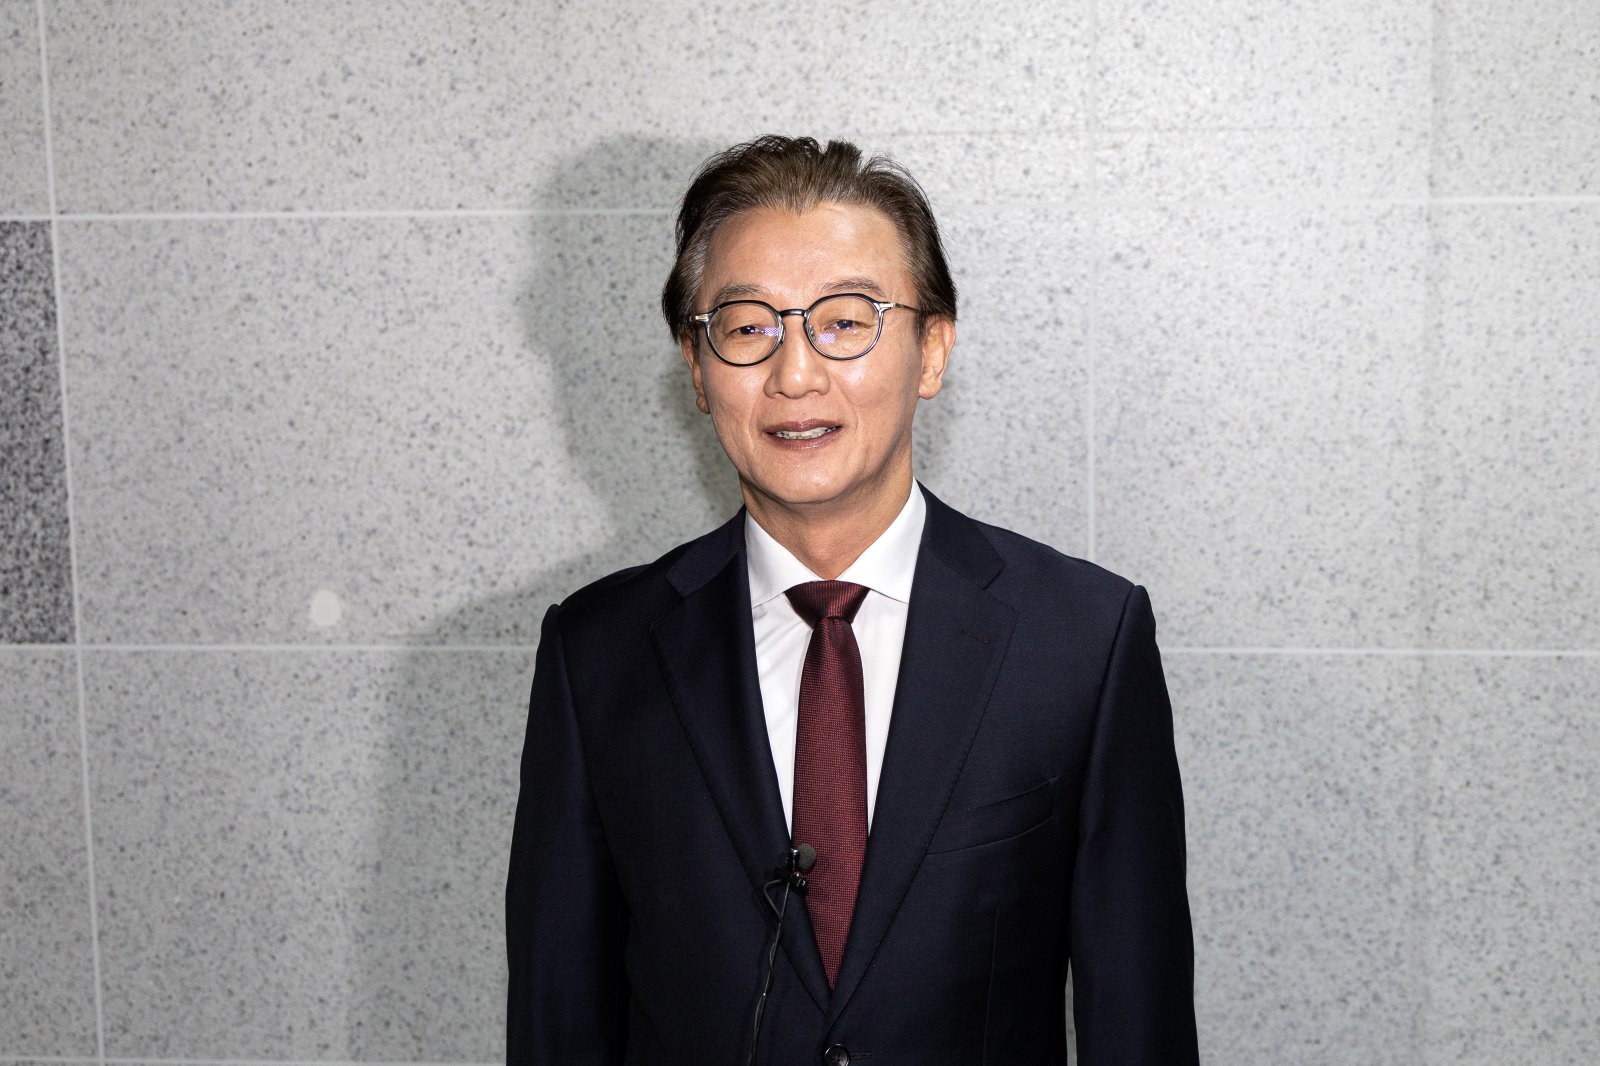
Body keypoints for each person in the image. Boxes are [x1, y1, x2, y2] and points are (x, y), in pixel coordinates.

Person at [506, 136, 1198, 1065]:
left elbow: (1139, 1024)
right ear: (697, 370)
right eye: (746, 328)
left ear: (932, 350)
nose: (795, 374)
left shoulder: (1081, 640)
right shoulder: (598, 653)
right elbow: (558, 1019)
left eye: (845, 321)